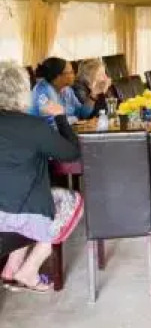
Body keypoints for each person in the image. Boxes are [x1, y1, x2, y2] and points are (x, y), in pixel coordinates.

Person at [0, 61, 83, 293]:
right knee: (72, 201)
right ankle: (29, 271)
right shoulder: (33, 126)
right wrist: (60, 117)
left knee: (20, 198)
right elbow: (71, 152)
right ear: (22, 91)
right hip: (21, 215)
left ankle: (10, 270)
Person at [30, 57, 100, 123]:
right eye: (71, 72)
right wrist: (75, 119)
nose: (74, 75)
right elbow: (53, 121)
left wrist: (93, 95)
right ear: (58, 76)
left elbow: (82, 114)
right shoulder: (42, 91)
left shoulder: (67, 90)